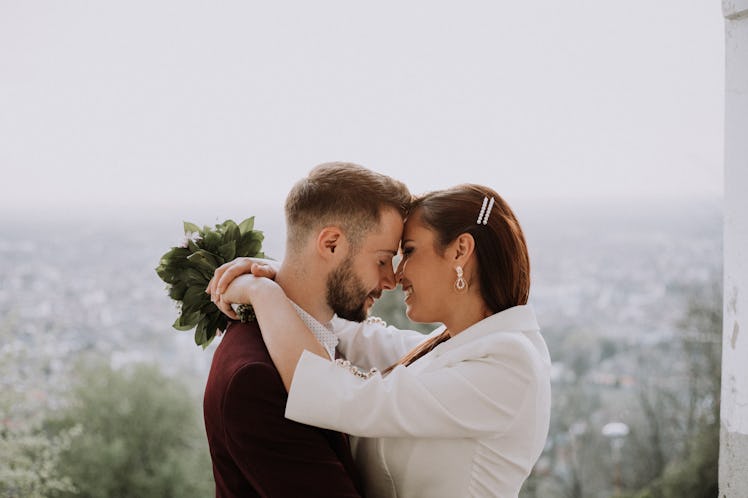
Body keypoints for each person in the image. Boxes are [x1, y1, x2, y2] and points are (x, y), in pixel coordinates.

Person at [214, 184, 552, 498]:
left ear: (460, 250)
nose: (398, 273)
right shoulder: (457, 343)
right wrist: (282, 273)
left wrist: (263, 292)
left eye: (409, 251)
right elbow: (353, 337)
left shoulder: (509, 363)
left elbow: (343, 397)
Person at [202, 161, 411, 497]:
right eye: (382, 259)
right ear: (331, 244)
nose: (390, 281)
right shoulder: (254, 378)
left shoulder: (318, 334)